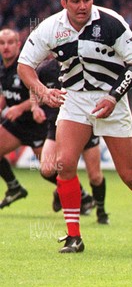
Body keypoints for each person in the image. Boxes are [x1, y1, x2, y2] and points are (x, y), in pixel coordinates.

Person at [17, 0, 132, 253]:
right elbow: (24, 65)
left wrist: (114, 98)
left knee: (129, 175)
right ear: (64, 2)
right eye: (75, 1)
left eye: (87, 0)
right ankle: (74, 237)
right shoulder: (51, 28)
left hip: (110, 99)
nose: (82, 6)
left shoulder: (111, 22)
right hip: (75, 99)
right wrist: (42, 91)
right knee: (63, 165)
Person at [33, 57, 108, 223]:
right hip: (57, 125)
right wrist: (35, 107)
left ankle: (101, 212)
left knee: (95, 176)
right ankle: (81, 195)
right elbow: (33, 86)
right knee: (47, 169)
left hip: (85, 123)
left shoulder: (83, 63)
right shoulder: (46, 69)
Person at [0, 28, 44, 209]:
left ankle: (82, 197)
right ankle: (14, 187)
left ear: (19, 45)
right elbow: (5, 95)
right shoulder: (3, 69)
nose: (6, 47)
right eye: (2, 43)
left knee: (50, 171)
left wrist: (20, 108)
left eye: (10, 42)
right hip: (17, 126)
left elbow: (40, 94)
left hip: (38, 125)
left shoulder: (25, 67)